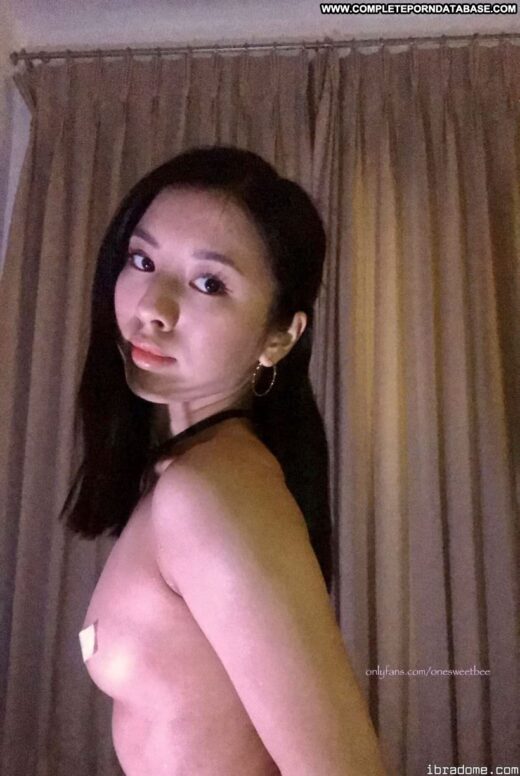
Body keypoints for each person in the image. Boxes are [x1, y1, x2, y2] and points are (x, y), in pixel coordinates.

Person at [61, 146, 388, 775]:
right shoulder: (190, 473)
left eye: (208, 283)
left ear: (279, 338)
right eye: (142, 260)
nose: (152, 307)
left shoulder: (211, 490)